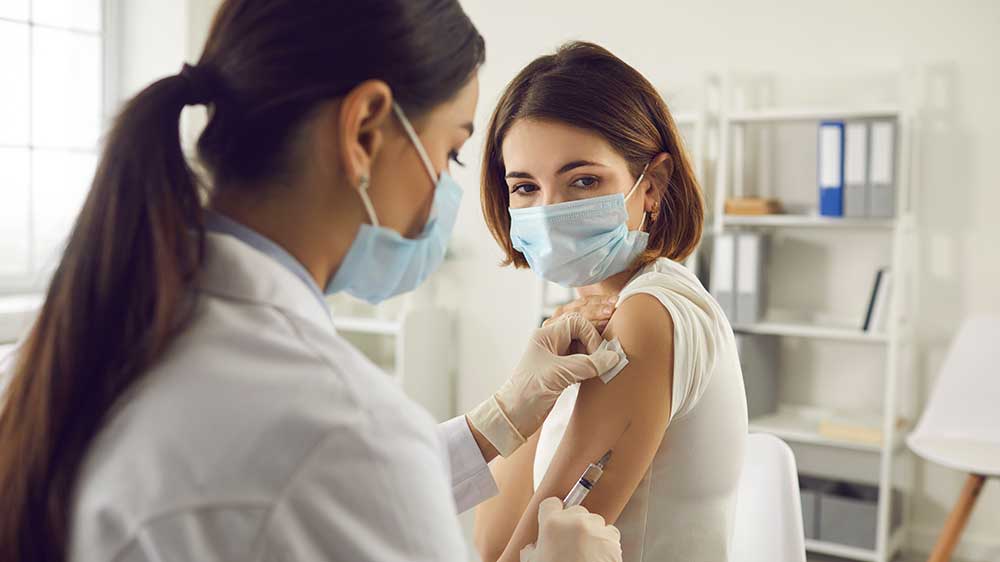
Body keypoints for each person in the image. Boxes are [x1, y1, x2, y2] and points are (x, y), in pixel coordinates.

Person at [0, 3, 624, 561]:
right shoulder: (343, 431)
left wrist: (501, 417)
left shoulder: (60, 354)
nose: (446, 186)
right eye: (451, 151)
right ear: (364, 131)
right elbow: (332, 478)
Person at [473, 42, 749, 562]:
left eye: (583, 180)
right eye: (526, 187)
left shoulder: (649, 314)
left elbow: (521, 551)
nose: (550, 210)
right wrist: (523, 398)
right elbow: (489, 542)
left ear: (653, 186)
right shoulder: (575, 325)